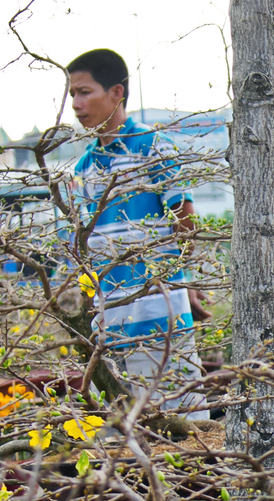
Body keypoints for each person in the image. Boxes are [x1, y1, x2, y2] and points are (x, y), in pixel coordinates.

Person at [65, 48, 209, 418]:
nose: (77, 104)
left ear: (116, 92)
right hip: (108, 322)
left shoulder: (154, 148)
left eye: (85, 92)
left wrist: (181, 282)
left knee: (181, 425)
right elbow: (85, 247)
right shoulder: (84, 167)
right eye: (72, 95)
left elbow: (186, 225)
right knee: (128, 430)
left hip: (158, 314)